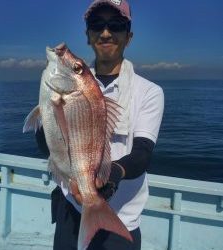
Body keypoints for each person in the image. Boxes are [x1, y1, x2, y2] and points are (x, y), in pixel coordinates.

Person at [36, 1, 164, 249]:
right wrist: (49, 114)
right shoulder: (72, 83)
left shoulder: (149, 92)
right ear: (88, 35)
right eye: (97, 25)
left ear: (129, 36)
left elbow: (142, 154)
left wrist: (111, 178)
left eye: (115, 25)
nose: (106, 33)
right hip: (69, 212)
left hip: (121, 220)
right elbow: (46, 148)